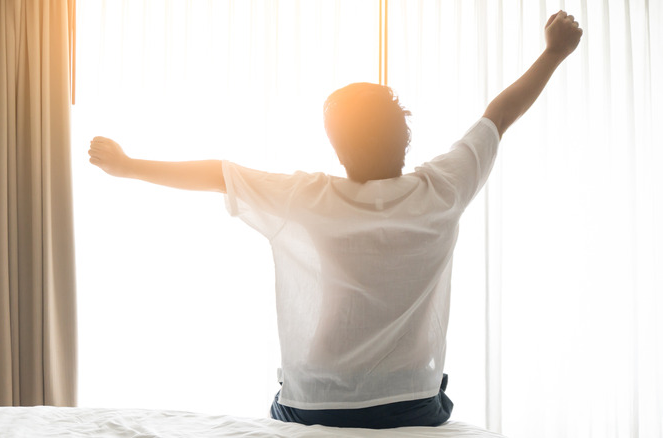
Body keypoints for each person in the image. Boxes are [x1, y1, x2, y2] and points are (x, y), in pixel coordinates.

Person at [88, 11, 582, 429]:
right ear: (404, 139)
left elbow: (219, 174)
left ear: (339, 149)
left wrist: (129, 166)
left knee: (282, 402)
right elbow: (498, 115)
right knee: (440, 395)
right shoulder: (441, 189)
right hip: (408, 403)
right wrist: (553, 52)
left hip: (314, 400)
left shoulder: (309, 196)